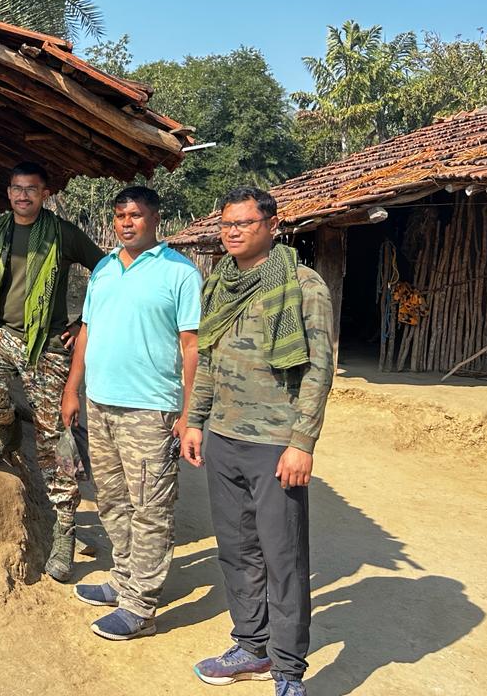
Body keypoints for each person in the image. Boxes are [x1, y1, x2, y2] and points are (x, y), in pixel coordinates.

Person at [182, 187, 333, 696]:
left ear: (271, 225)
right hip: (224, 437)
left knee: (283, 558)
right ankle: (251, 646)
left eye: (245, 223)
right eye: (227, 224)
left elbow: (318, 369)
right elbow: (208, 357)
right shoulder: (219, 283)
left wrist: (302, 442)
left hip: (274, 443)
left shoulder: (302, 285)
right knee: (237, 550)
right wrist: (195, 420)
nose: (233, 232)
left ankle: (288, 672)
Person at [0, 161, 103, 582]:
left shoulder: (62, 234)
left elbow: (107, 269)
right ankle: (7, 431)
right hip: (3, 333)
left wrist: (82, 322)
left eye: (31, 189)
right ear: (9, 192)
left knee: (56, 438)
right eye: (16, 189)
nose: (22, 196)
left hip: (48, 342)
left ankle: (65, 529)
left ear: (45, 194)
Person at [61, 185, 201, 641]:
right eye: (120, 215)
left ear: (155, 219)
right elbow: (86, 332)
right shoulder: (103, 269)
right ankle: (123, 580)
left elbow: (191, 346)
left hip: (151, 408)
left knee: (150, 507)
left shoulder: (180, 273)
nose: (126, 223)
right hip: (100, 403)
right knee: (111, 500)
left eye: (135, 215)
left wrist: (189, 412)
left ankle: (141, 607)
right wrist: (73, 389)